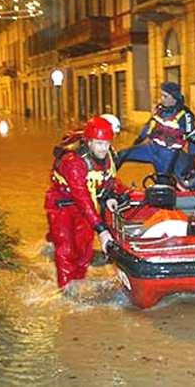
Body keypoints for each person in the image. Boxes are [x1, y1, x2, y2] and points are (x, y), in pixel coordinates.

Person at [44, 116, 127, 290]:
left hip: (86, 207)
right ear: (88, 142)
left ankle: (77, 283)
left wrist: (110, 195)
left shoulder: (108, 154)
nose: (104, 148)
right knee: (66, 249)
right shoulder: (73, 162)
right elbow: (82, 197)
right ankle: (66, 290)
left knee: (84, 250)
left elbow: (109, 179)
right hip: (62, 206)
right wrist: (102, 230)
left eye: (107, 143)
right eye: (99, 144)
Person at [118, 82, 195, 189]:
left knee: (162, 184)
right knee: (121, 155)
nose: (162, 99)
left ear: (174, 98)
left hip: (167, 154)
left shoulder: (185, 116)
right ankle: (107, 182)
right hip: (151, 148)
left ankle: (166, 195)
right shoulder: (160, 109)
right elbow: (149, 125)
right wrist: (139, 140)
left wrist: (191, 161)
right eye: (161, 95)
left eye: (165, 96)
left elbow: (192, 140)